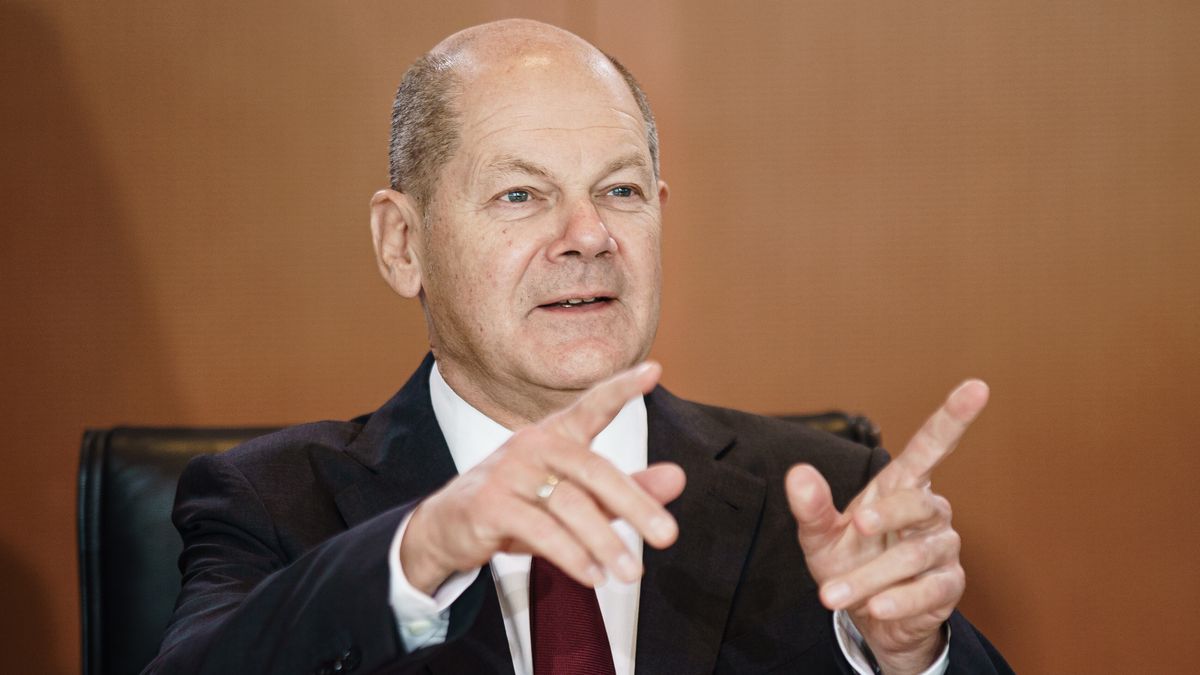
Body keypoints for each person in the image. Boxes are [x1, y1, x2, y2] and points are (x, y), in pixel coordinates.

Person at [145, 19, 1011, 675]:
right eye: (521, 194)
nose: (588, 234)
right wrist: (421, 549)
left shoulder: (824, 497)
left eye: (620, 189)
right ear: (403, 244)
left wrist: (910, 656)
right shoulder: (269, 501)